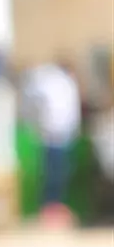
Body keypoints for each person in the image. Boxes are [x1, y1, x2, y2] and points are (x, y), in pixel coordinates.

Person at [20, 59, 82, 226]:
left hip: (60, 134)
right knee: (53, 174)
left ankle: (54, 207)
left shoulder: (63, 84)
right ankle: (49, 208)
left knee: (59, 174)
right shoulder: (56, 83)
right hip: (53, 134)